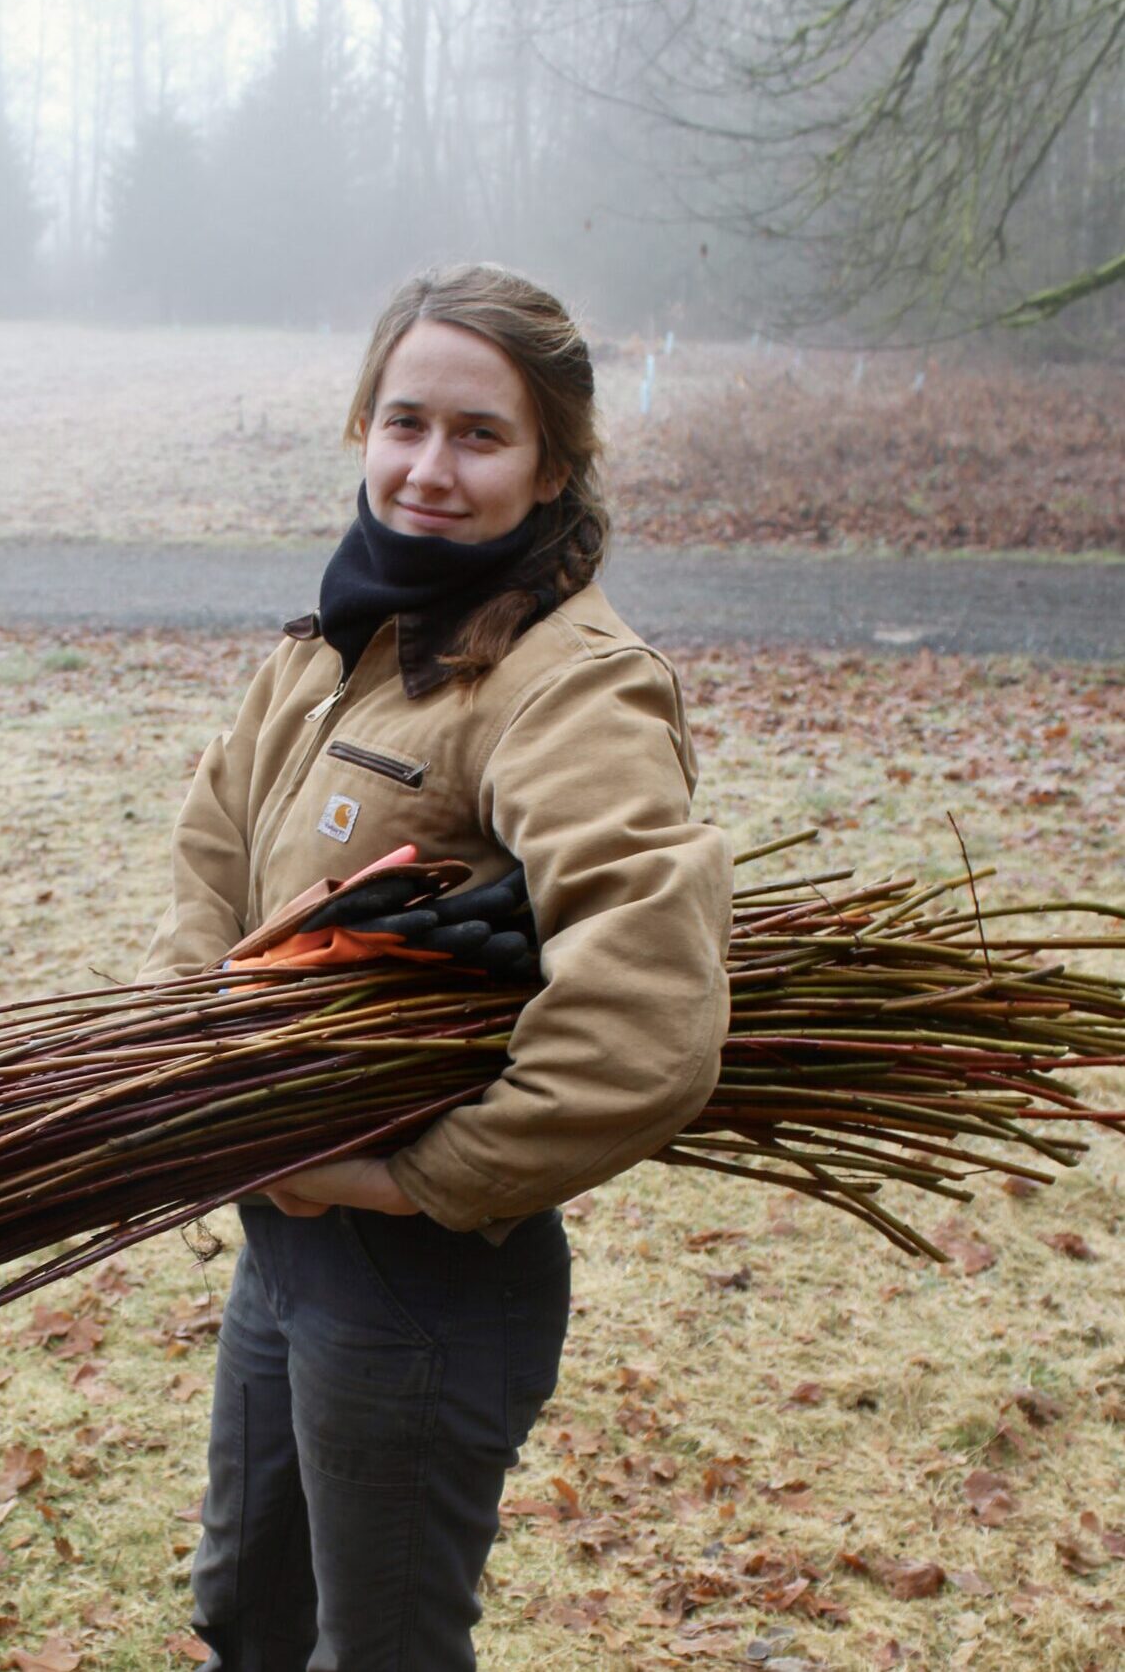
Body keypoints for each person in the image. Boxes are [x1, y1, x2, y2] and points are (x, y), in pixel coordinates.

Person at [137, 263, 733, 1672]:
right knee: (246, 1612)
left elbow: (646, 1012)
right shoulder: (342, 640)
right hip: (285, 1245)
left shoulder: (565, 680)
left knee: (384, 1647)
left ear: (549, 465)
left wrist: (409, 1178)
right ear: (363, 425)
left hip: (415, 1287)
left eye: (480, 434)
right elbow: (210, 847)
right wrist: (189, 1074)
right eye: (405, 422)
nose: (430, 468)